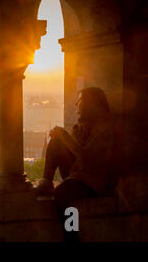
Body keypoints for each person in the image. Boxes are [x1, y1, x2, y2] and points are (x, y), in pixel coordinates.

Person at [33, 87, 116, 241]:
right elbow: (76, 154)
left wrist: (65, 136)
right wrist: (65, 137)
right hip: (79, 174)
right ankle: (46, 180)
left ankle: (72, 235)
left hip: (93, 182)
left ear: (91, 104)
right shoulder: (87, 126)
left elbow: (85, 156)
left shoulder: (105, 129)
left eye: (81, 100)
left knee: (63, 194)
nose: (76, 104)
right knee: (57, 140)